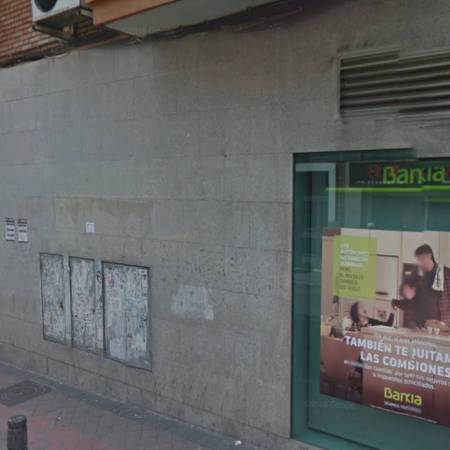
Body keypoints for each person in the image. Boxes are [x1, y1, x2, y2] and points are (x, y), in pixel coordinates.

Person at [414, 244, 450, 326]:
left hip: (446, 328)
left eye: (420, 260)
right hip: (428, 328)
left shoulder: (447, 274)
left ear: (428, 256)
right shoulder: (422, 281)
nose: (419, 264)